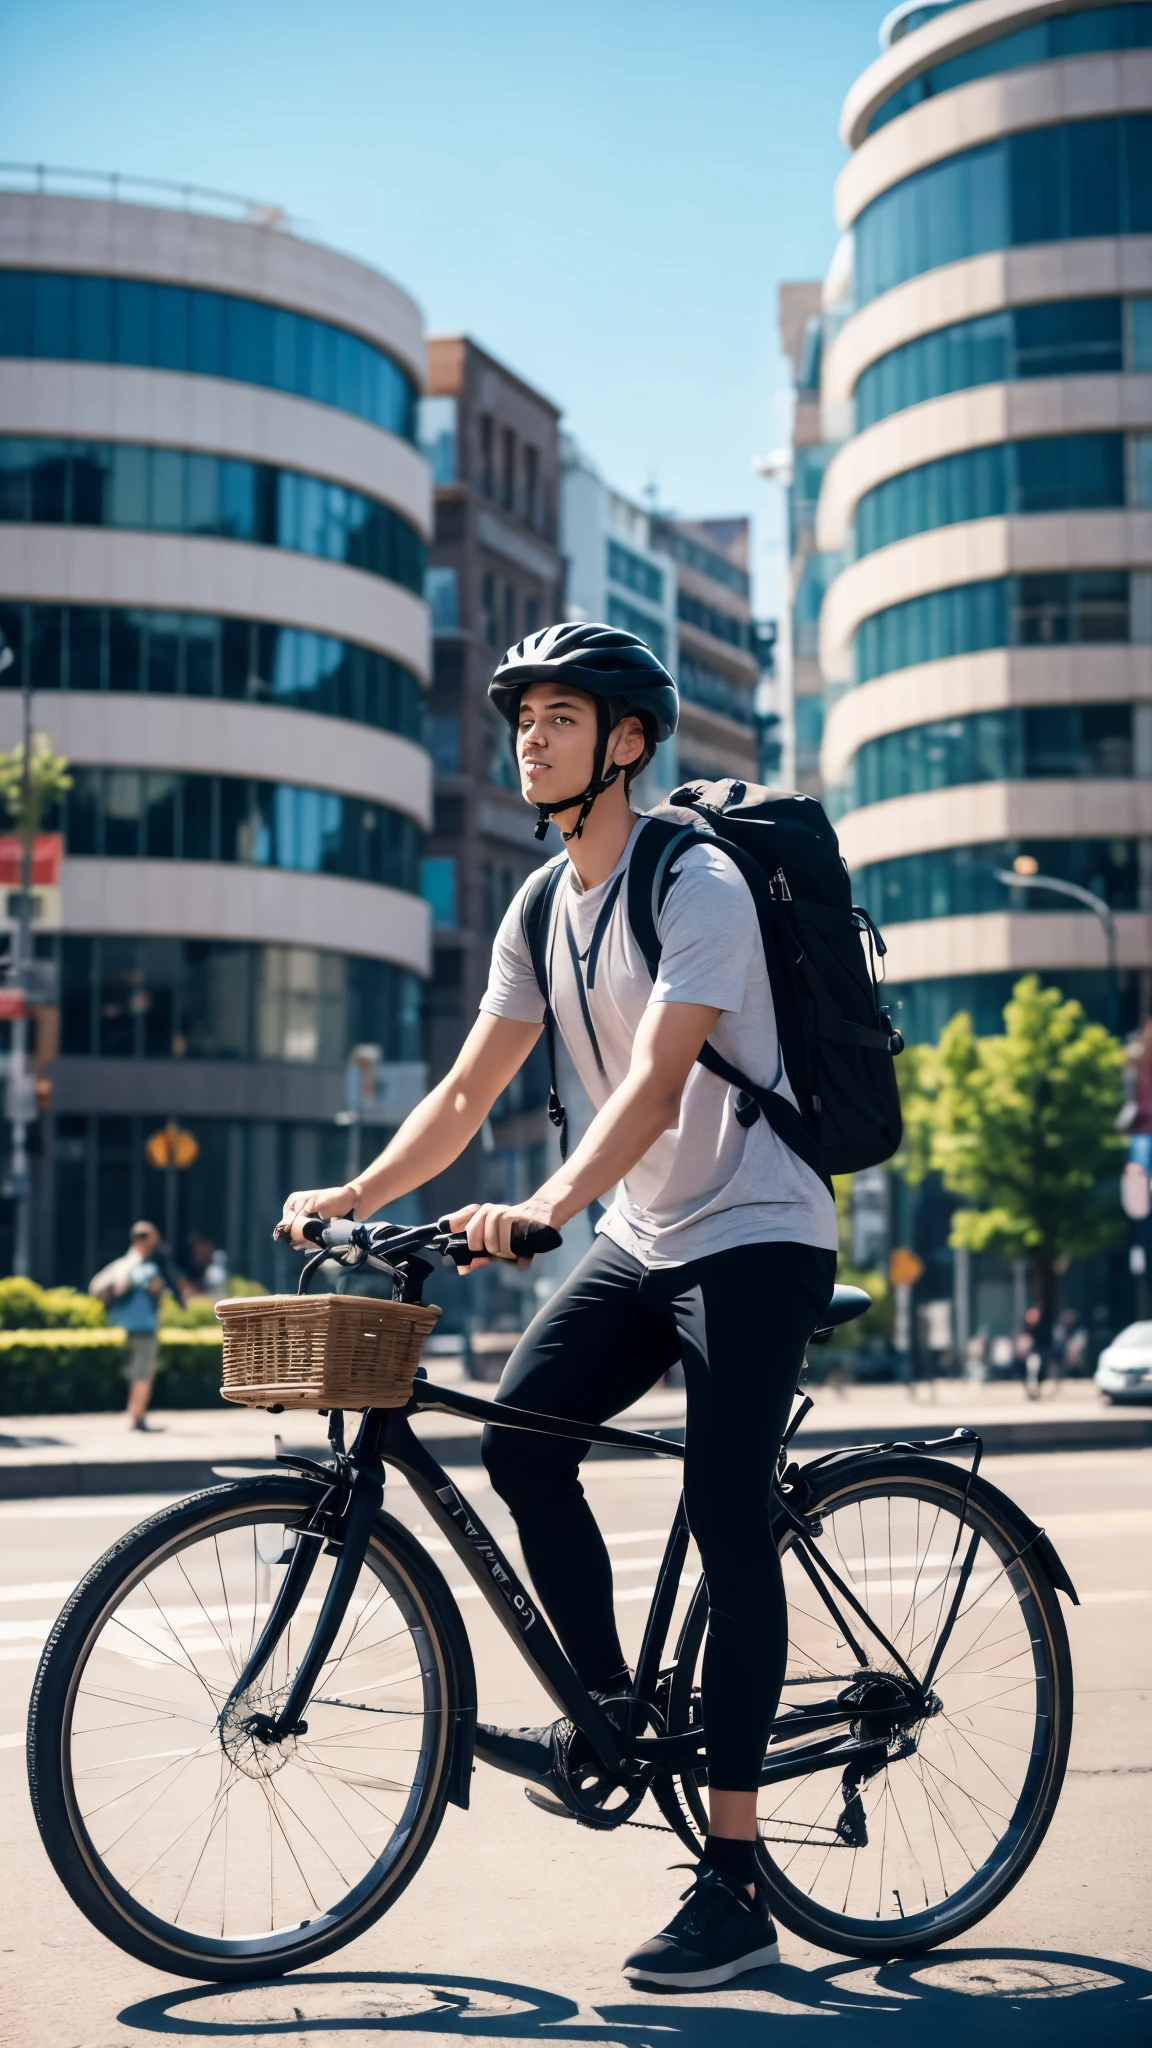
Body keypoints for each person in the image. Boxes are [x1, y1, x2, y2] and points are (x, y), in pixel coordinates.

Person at [278, 622, 837, 1990]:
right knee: (521, 1440)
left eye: (562, 715)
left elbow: (654, 1082)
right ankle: (609, 1712)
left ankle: (736, 1878)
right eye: (521, 715)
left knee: (723, 1512)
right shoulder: (540, 907)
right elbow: (469, 1091)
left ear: (627, 740)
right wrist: (351, 1194)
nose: (531, 735)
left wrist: (545, 1209)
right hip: (648, 1234)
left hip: (757, 1230)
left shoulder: (691, 879)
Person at [89, 1220, 180, 1430]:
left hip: (122, 1326)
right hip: (144, 1327)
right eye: (152, 1240)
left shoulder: (120, 1264)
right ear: (143, 1240)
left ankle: (133, 1414)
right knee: (143, 1373)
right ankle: (137, 1418)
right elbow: (156, 1295)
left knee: (134, 1373)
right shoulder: (146, 1268)